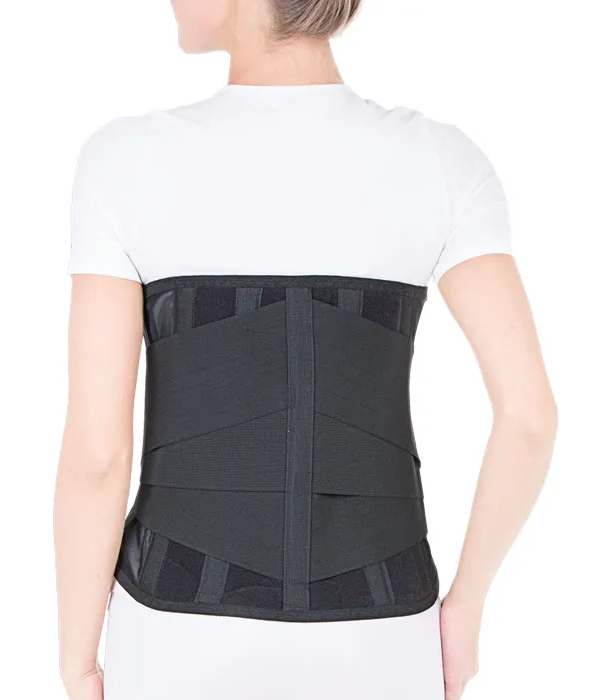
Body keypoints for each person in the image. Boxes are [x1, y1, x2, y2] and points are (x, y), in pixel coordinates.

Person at [53, 2, 558, 699]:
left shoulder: (124, 161)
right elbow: (529, 418)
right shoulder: (440, 160)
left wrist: (78, 661)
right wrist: (464, 610)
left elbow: (97, 458)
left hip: (177, 630)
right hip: (382, 634)